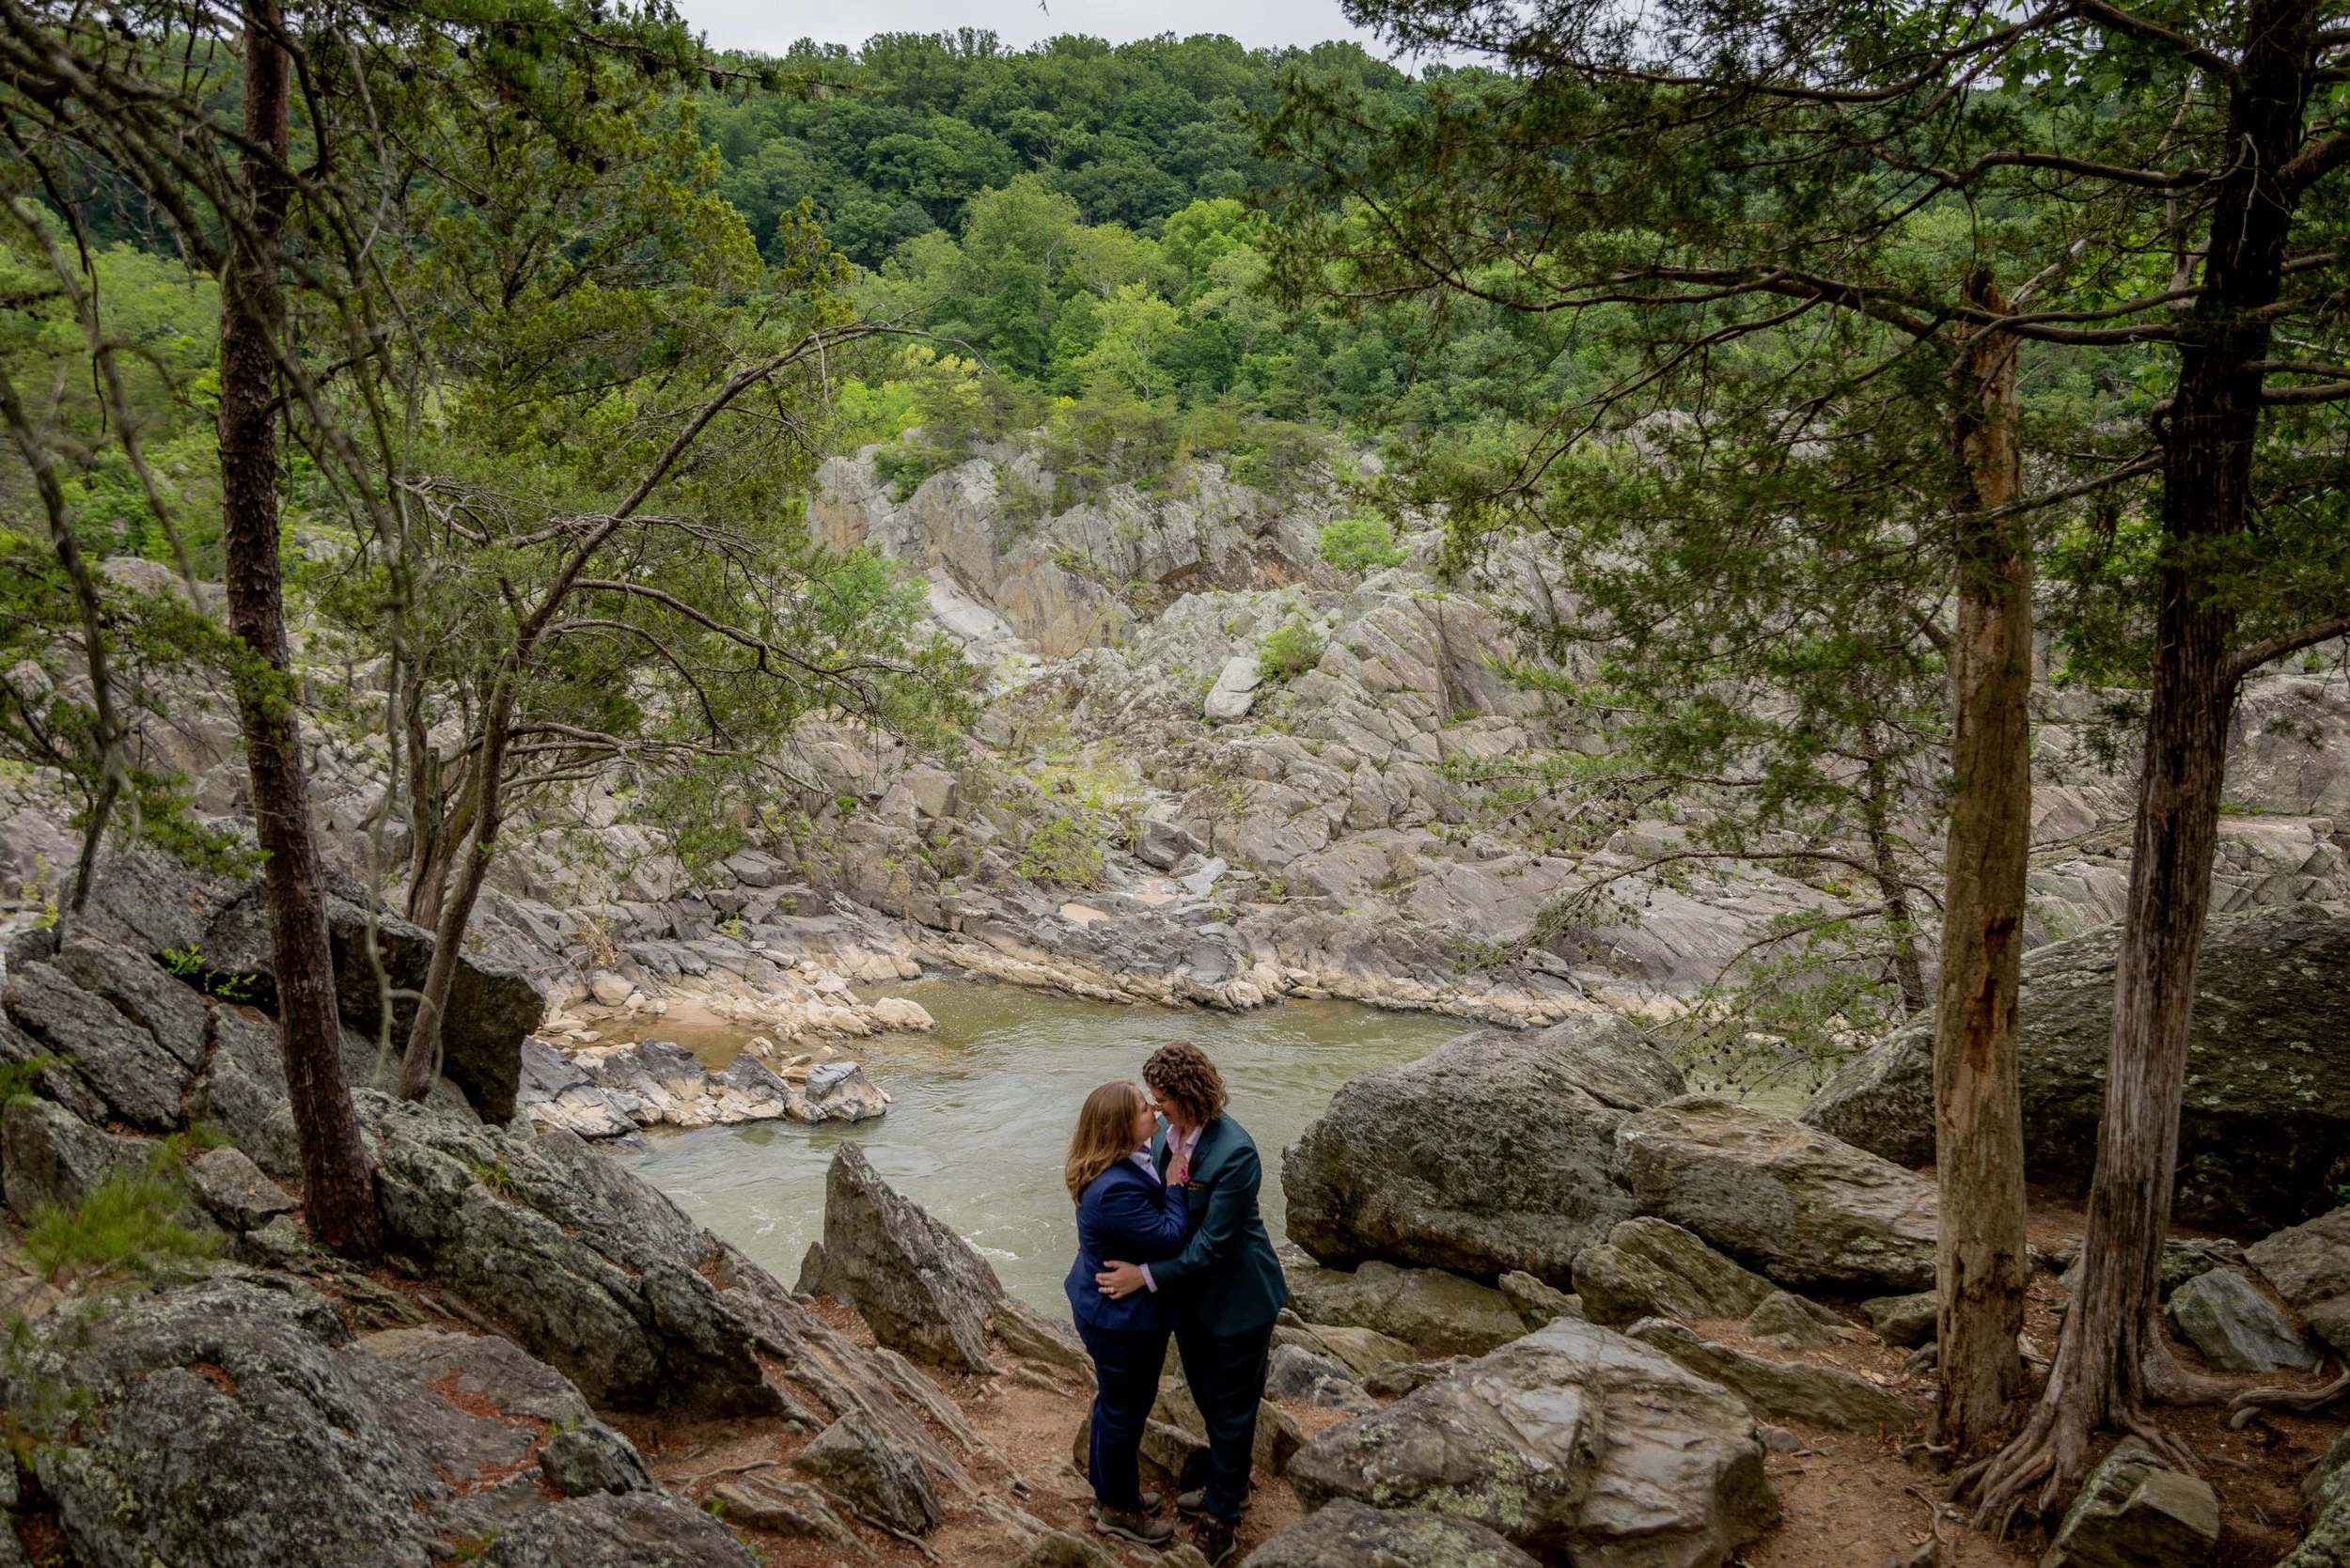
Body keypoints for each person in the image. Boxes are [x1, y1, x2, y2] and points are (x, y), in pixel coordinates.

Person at [1096, 1042, 1286, 1566]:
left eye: (1162, 1100)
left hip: (1237, 1300)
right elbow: (1160, 1211)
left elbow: (1212, 1247)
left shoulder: (1236, 1153)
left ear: (1190, 1096)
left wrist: (1144, 1277)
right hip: (1190, 1302)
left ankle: (1223, 1517)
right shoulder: (1165, 1140)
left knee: (1232, 1410)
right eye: (1151, 1101)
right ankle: (1232, 1480)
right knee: (1208, 1400)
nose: (1155, 1110)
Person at [1064, 1079, 1188, 1547]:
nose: (1153, 1108)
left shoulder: (1120, 1163)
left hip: (1102, 1305)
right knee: (1124, 1410)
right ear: (1120, 1128)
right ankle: (1118, 1509)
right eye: (1142, 1107)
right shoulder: (1115, 1187)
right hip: (1118, 1317)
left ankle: (1109, 1491)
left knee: (1114, 1404)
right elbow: (1170, 1236)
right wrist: (1176, 1181)